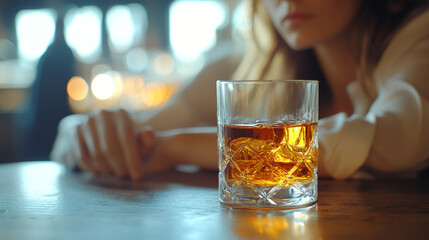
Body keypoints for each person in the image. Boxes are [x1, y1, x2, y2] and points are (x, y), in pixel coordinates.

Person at [51, 0, 429, 180]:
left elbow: (397, 141)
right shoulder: (244, 67)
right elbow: (141, 130)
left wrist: (178, 146)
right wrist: (81, 131)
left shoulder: (418, 38)